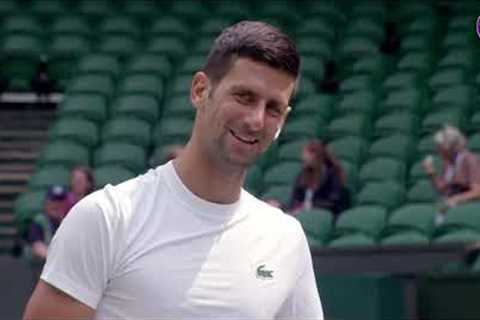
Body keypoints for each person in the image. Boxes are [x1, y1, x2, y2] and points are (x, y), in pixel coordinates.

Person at [23, 21, 324, 319]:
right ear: (200, 90)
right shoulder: (107, 218)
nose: (256, 120)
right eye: (244, 97)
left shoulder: (285, 239)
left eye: (273, 108)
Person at [423, 125, 480, 223]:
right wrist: (431, 173)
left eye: (440, 147)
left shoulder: (469, 160)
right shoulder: (448, 162)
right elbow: (442, 189)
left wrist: (455, 199)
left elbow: (477, 192)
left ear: (450, 148)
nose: (438, 150)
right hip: (448, 206)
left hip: (465, 208)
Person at [288, 140, 350, 216]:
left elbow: (333, 201)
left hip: (322, 213)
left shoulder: (332, 176)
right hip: (302, 212)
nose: (303, 159)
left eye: (307, 157)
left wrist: (311, 206)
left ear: (316, 157)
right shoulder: (303, 175)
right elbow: (296, 198)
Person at [24, 185, 68, 263]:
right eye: (53, 200)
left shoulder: (69, 221)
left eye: (60, 201)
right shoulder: (38, 222)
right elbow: (37, 247)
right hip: (42, 267)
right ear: (46, 203)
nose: (56, 204)